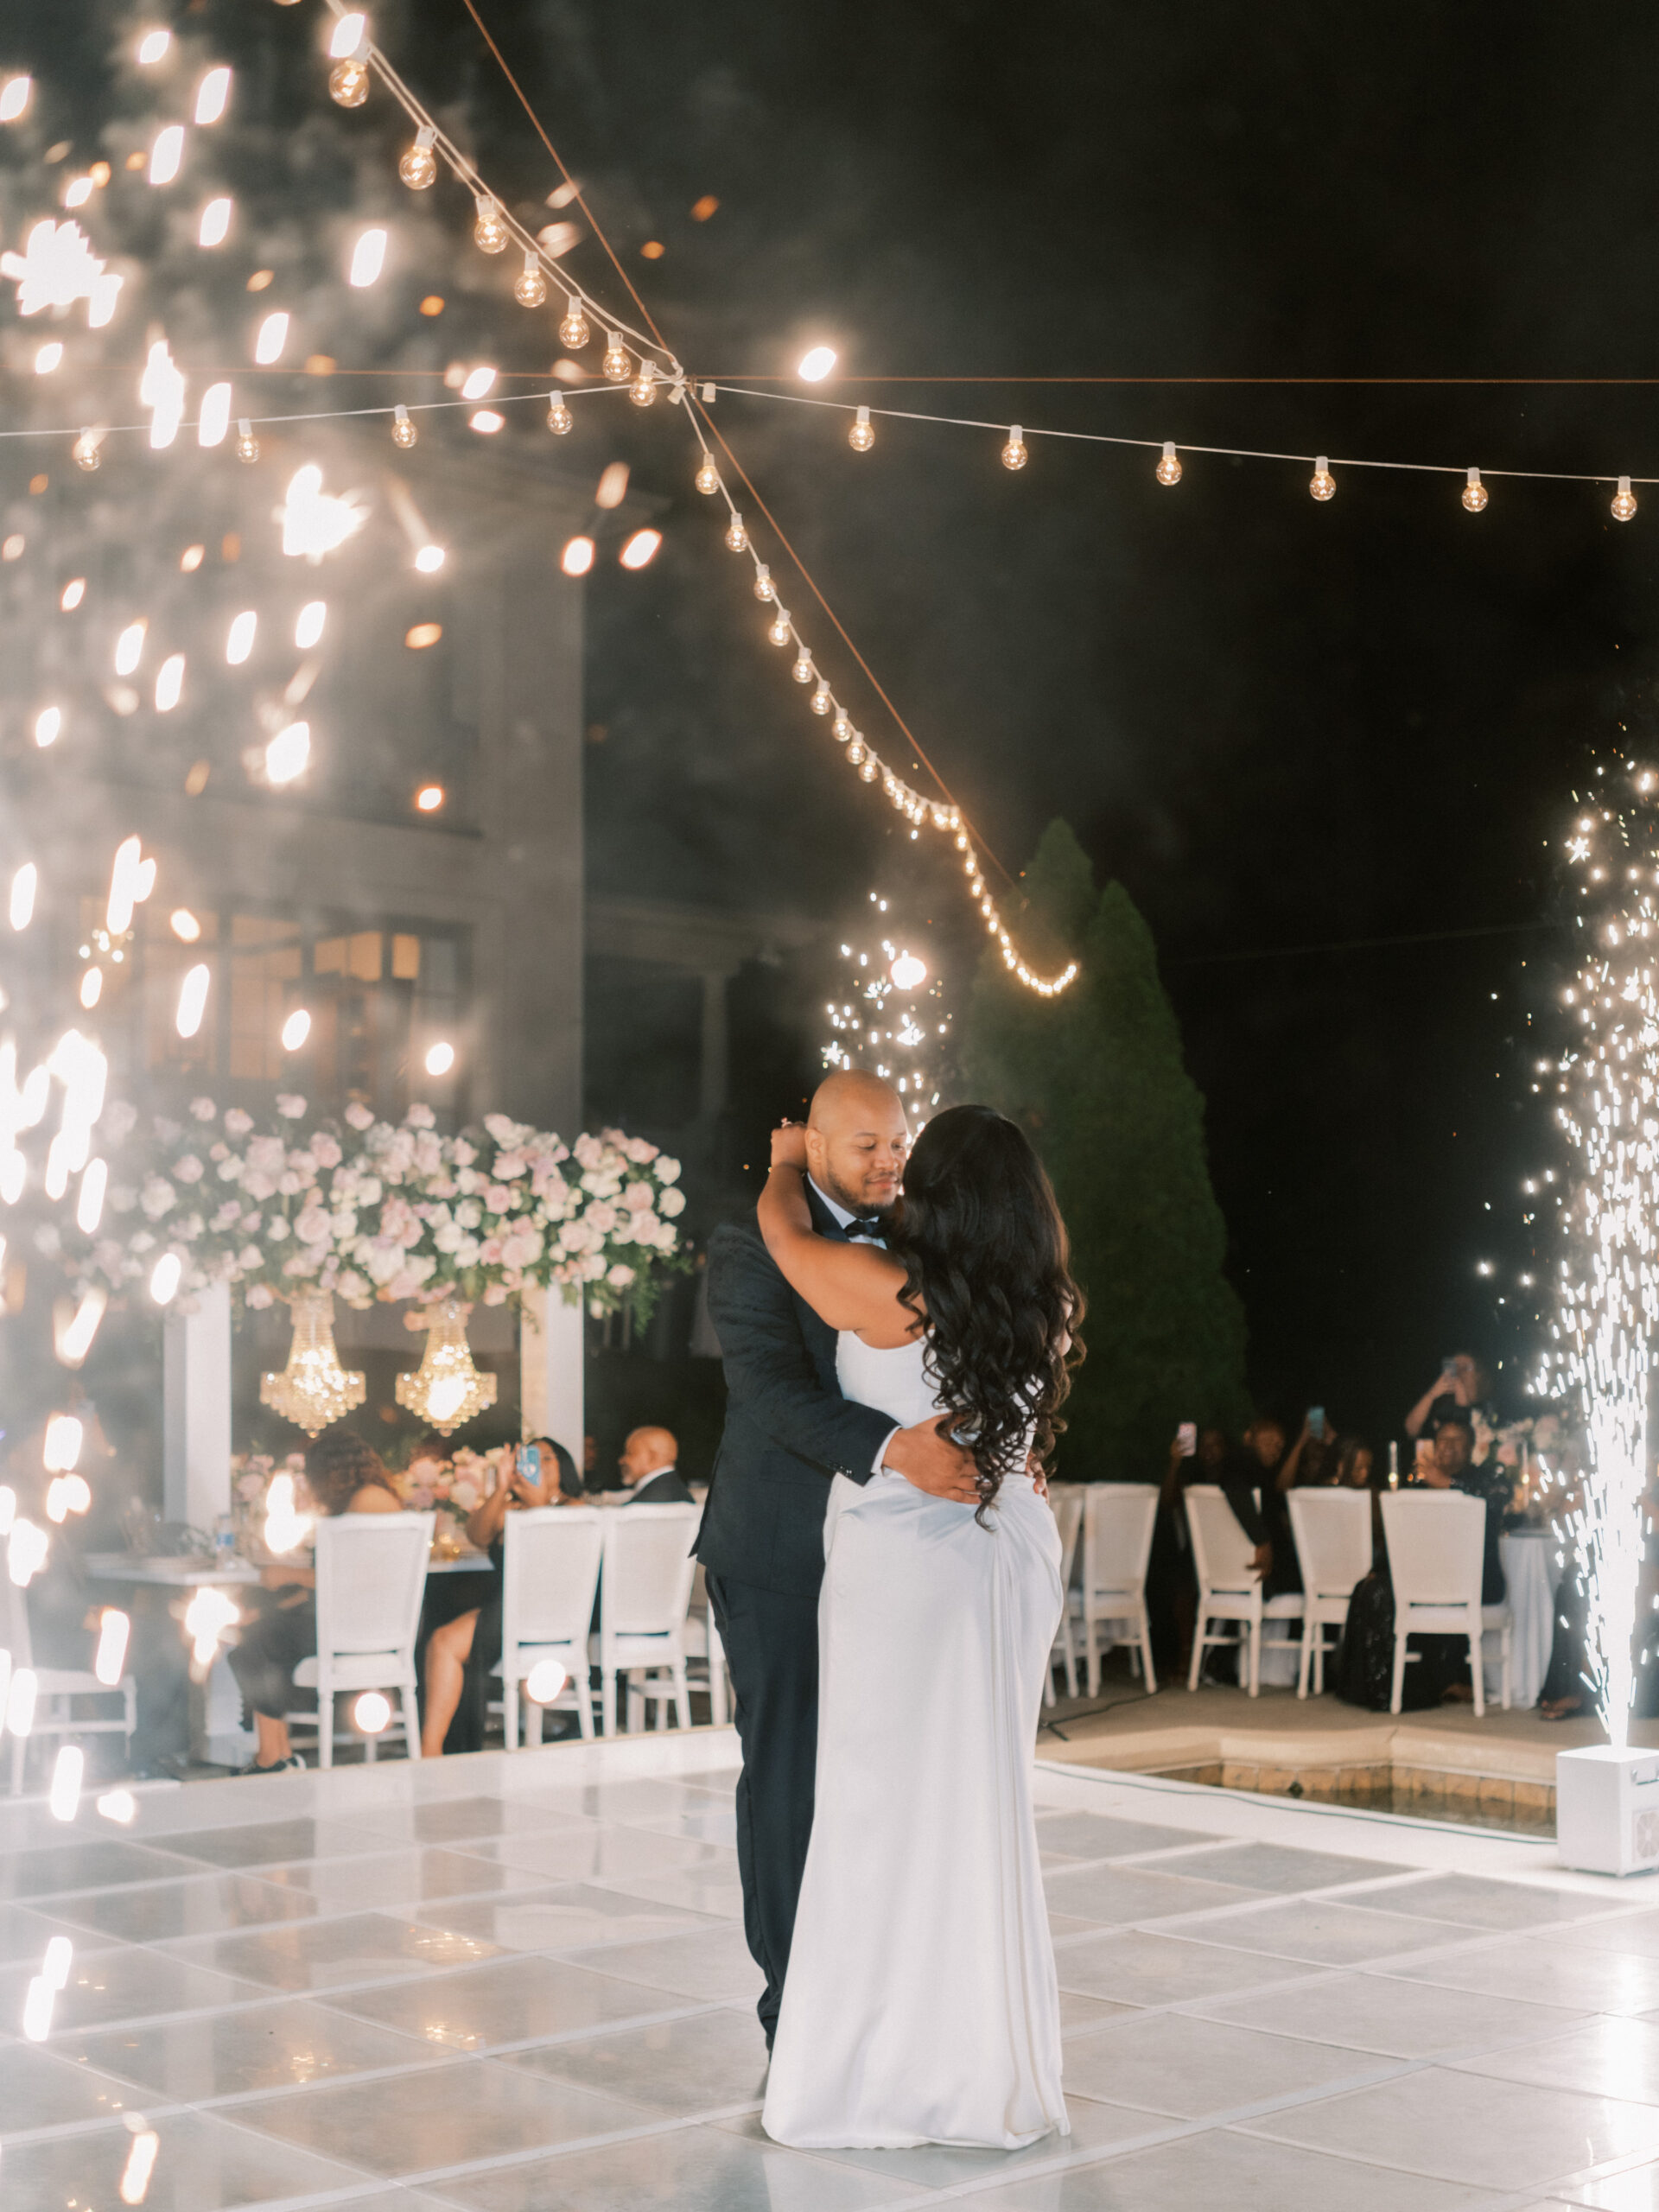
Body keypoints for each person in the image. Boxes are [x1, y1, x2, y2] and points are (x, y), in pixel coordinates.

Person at [755, 1102, 1079, 2151]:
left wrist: (779, 1166)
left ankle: (878, 2076)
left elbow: (786, 1242)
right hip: (1013, 1547)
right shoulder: (1041, 1299)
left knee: (881, 1809)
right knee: (978, 1805)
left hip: (912, 1555)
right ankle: (984, 2069)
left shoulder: (896, 1291)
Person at [695, 1070, 982, 2056]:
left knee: (874, 1774)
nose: (890, 1159)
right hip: (776, 1551)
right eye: (866, 1144)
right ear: (812, 1147)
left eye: (898, 1142)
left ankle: (876, 1987)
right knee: (789, 1772)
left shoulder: (912, 1241)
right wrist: (898, 1447)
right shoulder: (747, 1243)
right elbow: (771, 1393)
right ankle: (792, 2005)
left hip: (888, 1557)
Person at [227, 1430, 402, 1773]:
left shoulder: (366, 1502)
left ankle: (273, 1757)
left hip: (356, 1626)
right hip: (364, 1620)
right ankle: (277, 1755)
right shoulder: (372, 1498)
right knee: (255, 1636)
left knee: (254, 1645)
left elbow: (351, 1578)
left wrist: (286, 1575)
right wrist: (268, 1609)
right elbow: (338, 1581)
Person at [420, 1437, 577, 1757]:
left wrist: (536, 1504)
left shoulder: (576, 1509)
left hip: (553, 1611)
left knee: (444, 1641)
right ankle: (434, 1749)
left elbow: (555, 1554)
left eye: (547, 1459)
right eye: (530, 1458)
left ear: (564, 1467)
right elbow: (477, 1535)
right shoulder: (510, 1507)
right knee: (440, 1634)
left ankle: (432, 1750)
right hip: (507, 1608)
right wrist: (500, 1488)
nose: (537, 1465)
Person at [1405, 1351, 1497, 1441]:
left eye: (1465, 1368)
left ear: (1479, 1375)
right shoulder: (1441, 1405)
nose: (1459, 1372)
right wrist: (1431, 1395)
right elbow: (1411, 1431)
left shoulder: (1490, 1406)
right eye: (1454, 1367)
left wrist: (1462, 1395)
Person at [617, 1425, 694, 1505]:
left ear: (652, 1458)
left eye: (630, 1454)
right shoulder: (684, 1497)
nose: (621, 1461)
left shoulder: (639, 1507)